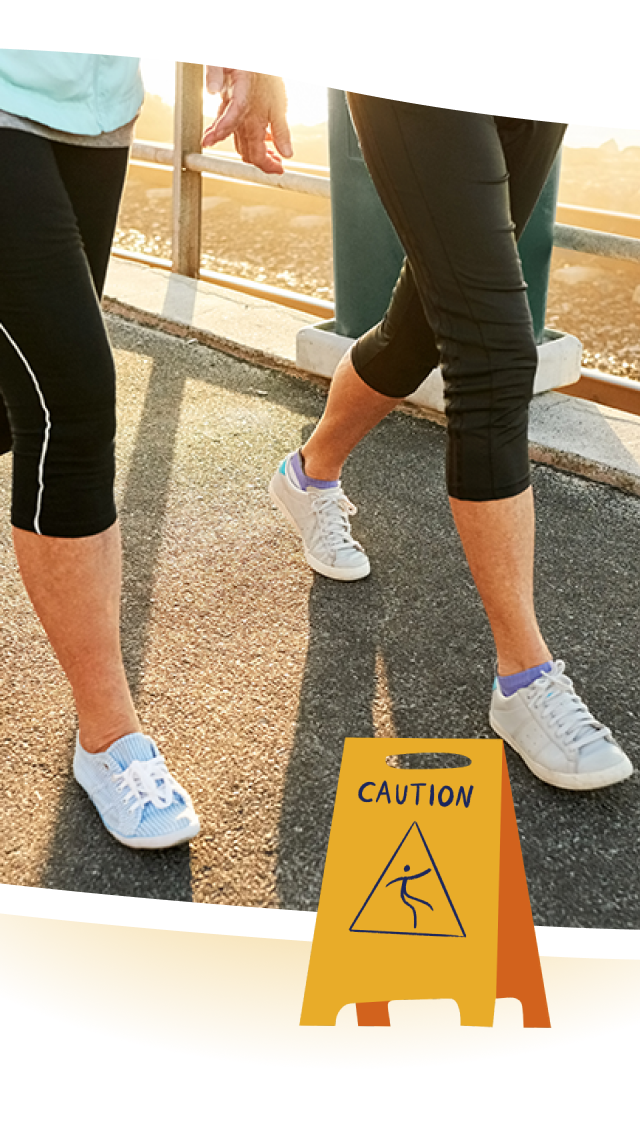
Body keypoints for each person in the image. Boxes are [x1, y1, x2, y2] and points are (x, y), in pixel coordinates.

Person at [269, 95, 633, 793]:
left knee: (417, 334)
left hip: (537, 59)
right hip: (415, 56)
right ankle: (525, 679)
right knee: (495, 353)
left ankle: (308, 476)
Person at [0, 50, 291, 849]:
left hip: (93, 104)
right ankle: (110, 738)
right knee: (72, 402)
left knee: (11, 398)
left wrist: (251, 52)